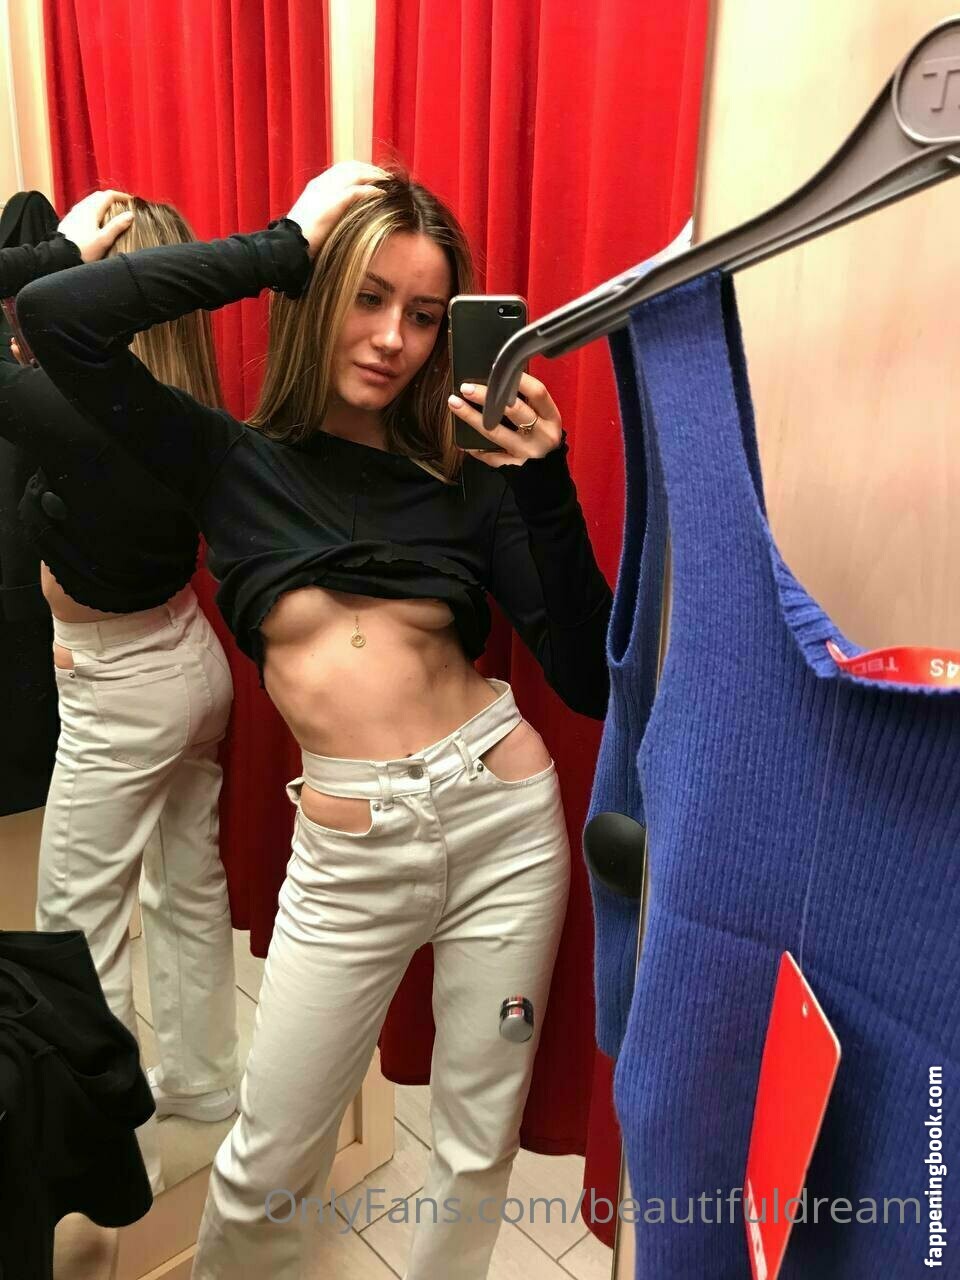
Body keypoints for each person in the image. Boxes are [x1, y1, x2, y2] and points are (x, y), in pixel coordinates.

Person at [18, 160, 613, 1279]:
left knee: (474, 1143)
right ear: (319, 289)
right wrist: (283, 244)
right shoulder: (226, 460)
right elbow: (57, 316)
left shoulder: (469, 477)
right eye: (368, 296)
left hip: (503, 819)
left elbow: (587, 675)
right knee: (264, 1164)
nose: (394, 338)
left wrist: (544, 480)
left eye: (425, 315)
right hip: (350, 853)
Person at [0, 191, 239, 1199]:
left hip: (120, 689)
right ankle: (204, 1085)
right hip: (189, 664)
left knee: (74, 926)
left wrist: (50, 255)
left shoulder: (79, 412)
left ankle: (112, 1158)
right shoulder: (188, 410)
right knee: (187, 886)